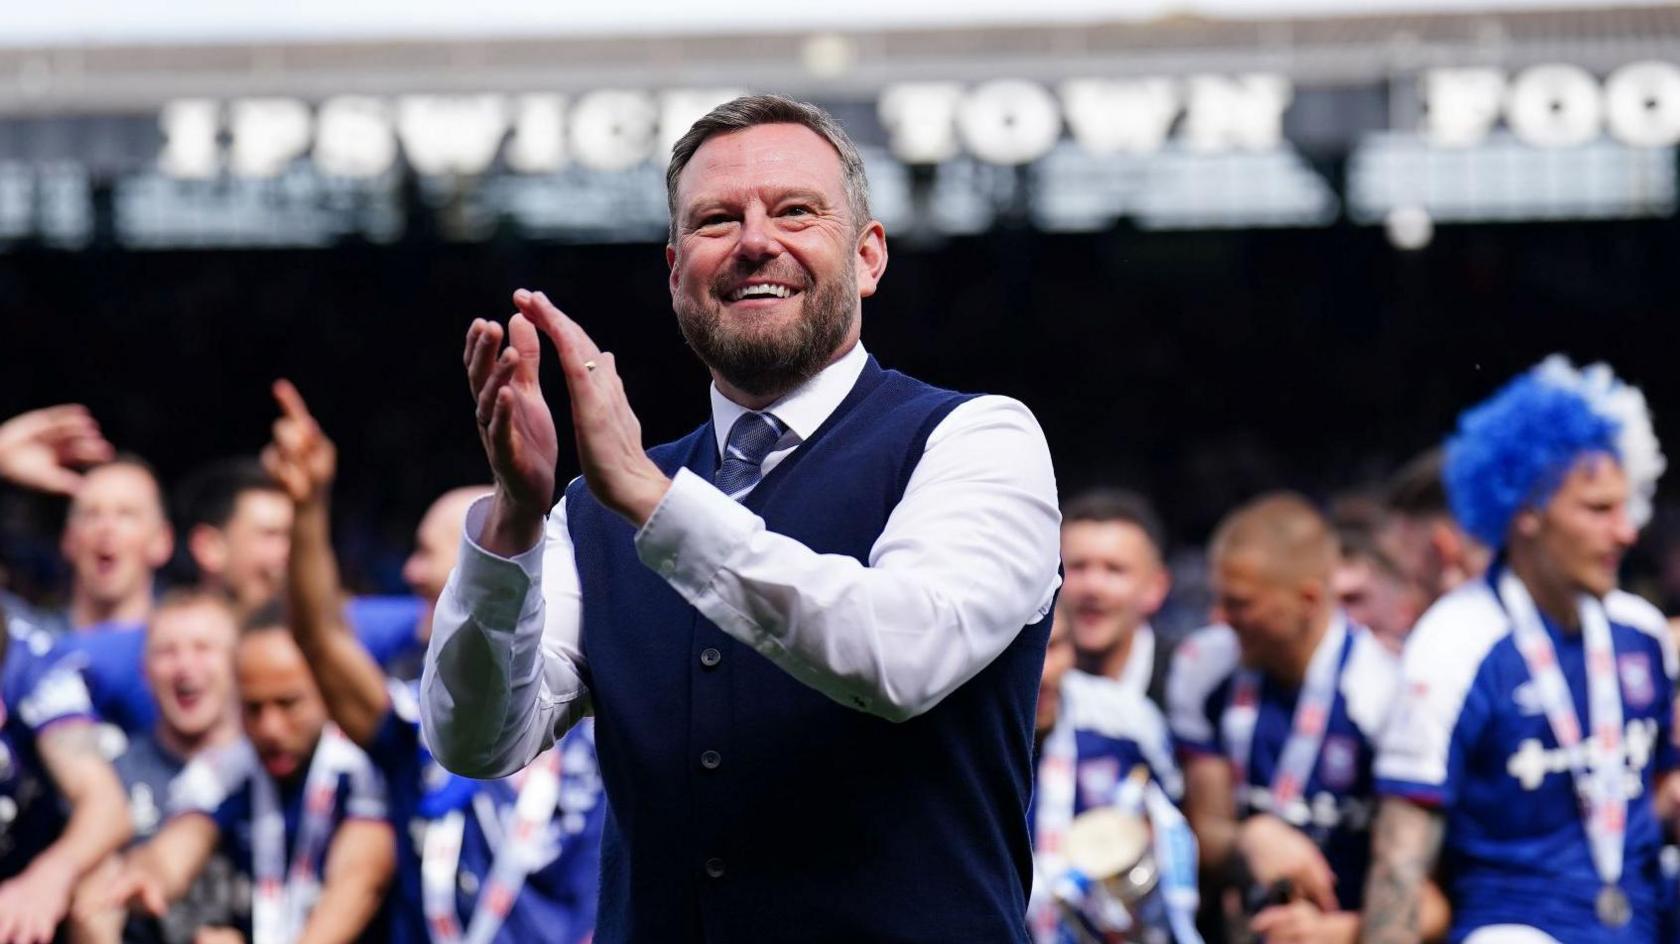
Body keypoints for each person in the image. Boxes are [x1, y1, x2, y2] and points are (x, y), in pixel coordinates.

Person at [422, 94, 1061, 942]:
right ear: (675, 269)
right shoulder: (591, 510)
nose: (756, 240)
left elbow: (902, 655)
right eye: (717, 219)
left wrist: (653, 502)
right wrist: (513, 521)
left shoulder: (977, 439)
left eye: (795, 211)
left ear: (868, 256)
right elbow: (477, 742)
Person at [264, 379, 604, 944]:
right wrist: (306, 507)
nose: (411, 574)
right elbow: (319, 639)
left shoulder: (599, 727)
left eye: (428, 553)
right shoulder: (412, 726)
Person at [1363, 357, 1673, 944]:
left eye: (1625, 506)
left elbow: (1659, 796)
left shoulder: (1641, 631)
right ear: (1527, 513)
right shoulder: (1454, 642)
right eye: (1598, 510)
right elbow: (1400, 863)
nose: (1627, 532)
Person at [1167, 493, 1416, 944]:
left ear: (1308, 599)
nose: (1221, 618)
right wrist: (1252, 836)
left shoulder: (1384, 693)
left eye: (1240, 604)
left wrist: (1340, 932)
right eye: (1219, 599)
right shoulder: (1204, 664)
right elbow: (1201, 832)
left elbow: (1437, 885)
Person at [105, 608, 396, 944]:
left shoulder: (364, 766)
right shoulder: (226, 769)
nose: (270, 728)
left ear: (328, 691)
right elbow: (180, 844)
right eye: (253, 708)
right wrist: (149, 873)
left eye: (288, 704)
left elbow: (360, 880)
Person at [66, 590, 245, 944]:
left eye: (203, 648)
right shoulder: (108, 781)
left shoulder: (270, 768)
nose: (185, 667)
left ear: (239, 663)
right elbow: (88, 914)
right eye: (168, 652)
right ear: (144, 672)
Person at [1031, 604, 1187, 943]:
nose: (1042, 672)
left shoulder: (1127, 719)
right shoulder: (964, 737)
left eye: (1054, 646)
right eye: (1026, 652)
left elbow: (1172, 819)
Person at [0, 602, 133, 944]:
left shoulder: (34, 666)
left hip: (23, 872)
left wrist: (45, 878)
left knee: (100, 880)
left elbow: (107, 805)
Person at [52, 459, 173, 734]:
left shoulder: (189, 647)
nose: (107, 528)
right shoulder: (29, 639)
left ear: (162, 541)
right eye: (92, 514)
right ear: (69, 540)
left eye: (126, 514)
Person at [1060, 489, 1174, 705]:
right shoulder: (1026, 684)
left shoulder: (1191, 684)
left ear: (1156, 587)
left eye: (1114, 570)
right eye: (1077, 567)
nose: (1092, 587)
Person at [176, 458, 295, 621]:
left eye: (294, 536)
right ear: (209, 547)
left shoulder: (325, 633)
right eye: (270, 534)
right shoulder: (165, 640)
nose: (289, 551)